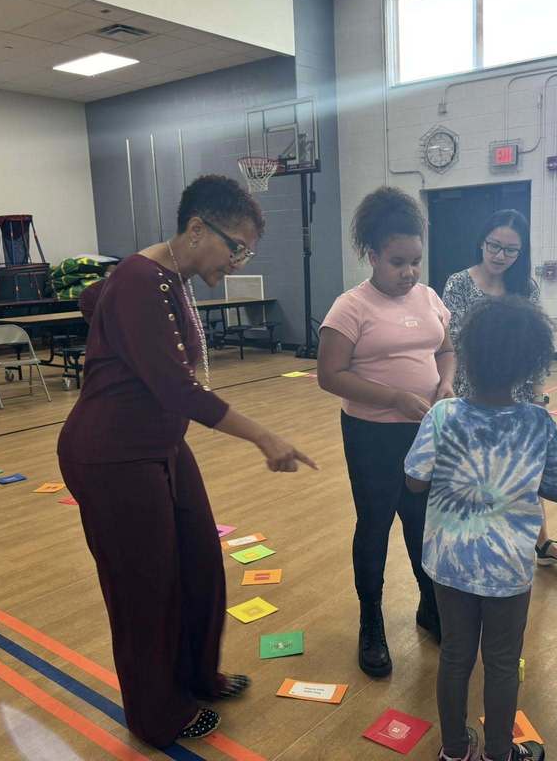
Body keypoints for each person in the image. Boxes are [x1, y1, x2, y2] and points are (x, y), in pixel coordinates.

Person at [57, 175, 316, 748]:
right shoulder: (140, 280)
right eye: (236, 246)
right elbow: (180, 392)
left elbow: (91, 299)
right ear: (197, 228)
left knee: (198, 562)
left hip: (161, 446)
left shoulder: (162, 276)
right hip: (112, 455)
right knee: (144, 588)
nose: (239, 258)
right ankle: (157, 715)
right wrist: (265, 437)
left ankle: (197, 675)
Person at [404, 295, 557, 761]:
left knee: (455, 656)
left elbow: (414, 481)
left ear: (468, 357)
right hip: (508, 570)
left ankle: (454, 750)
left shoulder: (443, 415)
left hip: (449, 562)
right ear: (530, 366)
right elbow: (556, 489)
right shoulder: (540, 423)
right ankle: (500, 752)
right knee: (501, 664)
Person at [317, 186, 456, 678]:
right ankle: (371, 621)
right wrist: (396, 398)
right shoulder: (350, 307)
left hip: (425, 433)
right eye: (398, 262)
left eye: (415, 261)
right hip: (373, 434)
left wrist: (445, 383)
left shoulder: (430, 297)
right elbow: (330, 376)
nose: (409, 272)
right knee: (376, 525)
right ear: (372, 255)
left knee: (422, 525)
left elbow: (446, 348)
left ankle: (428, 606)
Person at [441, 209, 557, 570]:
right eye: (494, 246)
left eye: (510, 250)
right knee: (476, 474)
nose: (500, 256)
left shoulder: (525, 287)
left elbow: (535, 347)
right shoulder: (459, 283)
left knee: (521, 472)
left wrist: (536, 396)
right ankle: (475, 539)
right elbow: (452, 343)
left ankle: (540, 542)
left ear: (521, 252)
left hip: (514, 398)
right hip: (473, 394)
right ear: (482, 243)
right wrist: (449, 386)